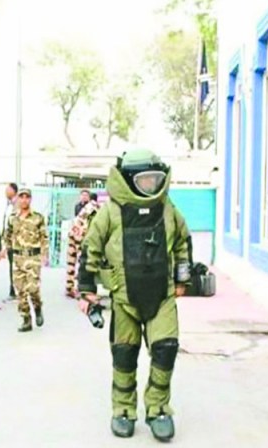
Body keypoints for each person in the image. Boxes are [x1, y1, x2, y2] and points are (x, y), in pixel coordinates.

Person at [77, 149, 191, 442]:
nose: (151, 185)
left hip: (161, 296)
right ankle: (123, 410)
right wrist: (86, 291)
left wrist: (182, 280)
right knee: (124, 355)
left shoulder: (167, 209)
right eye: (144, 180)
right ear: (129, 179)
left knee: (165, 349)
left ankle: (158, 409)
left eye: (155, 179)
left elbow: (182, 243)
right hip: (124, 298)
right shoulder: (111, 211)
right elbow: (91, 248)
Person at [2, 188, 48, 332]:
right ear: (18, 199)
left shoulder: (38, 217)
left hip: (33, 257)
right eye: (21, 197)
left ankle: (37, 307)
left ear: (30, 199)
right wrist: (6, 249)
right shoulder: (12, 218)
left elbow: (44, 237)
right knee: (20, 291)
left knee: (33, 289)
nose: (24, 200)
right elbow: (7, 235)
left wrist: (44, 254)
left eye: (27, 197)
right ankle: (26, 319)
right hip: (18, 258)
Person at [65, 192, 100, 298]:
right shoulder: (95, 207)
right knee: (82, 263)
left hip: (73, 232)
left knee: (71, 262)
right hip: (80, 235)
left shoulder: (85, 208)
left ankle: (69, 287)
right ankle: (79, 289)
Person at [2, 183, 18, 301]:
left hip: (16, 242)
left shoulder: (18, 205)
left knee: (15, 267)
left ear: (13, 190)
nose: (5, 192)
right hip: (9, 241)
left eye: (7, 190)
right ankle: (12, 290)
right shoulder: (9, 204)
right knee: (11, 267)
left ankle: (16, 291)